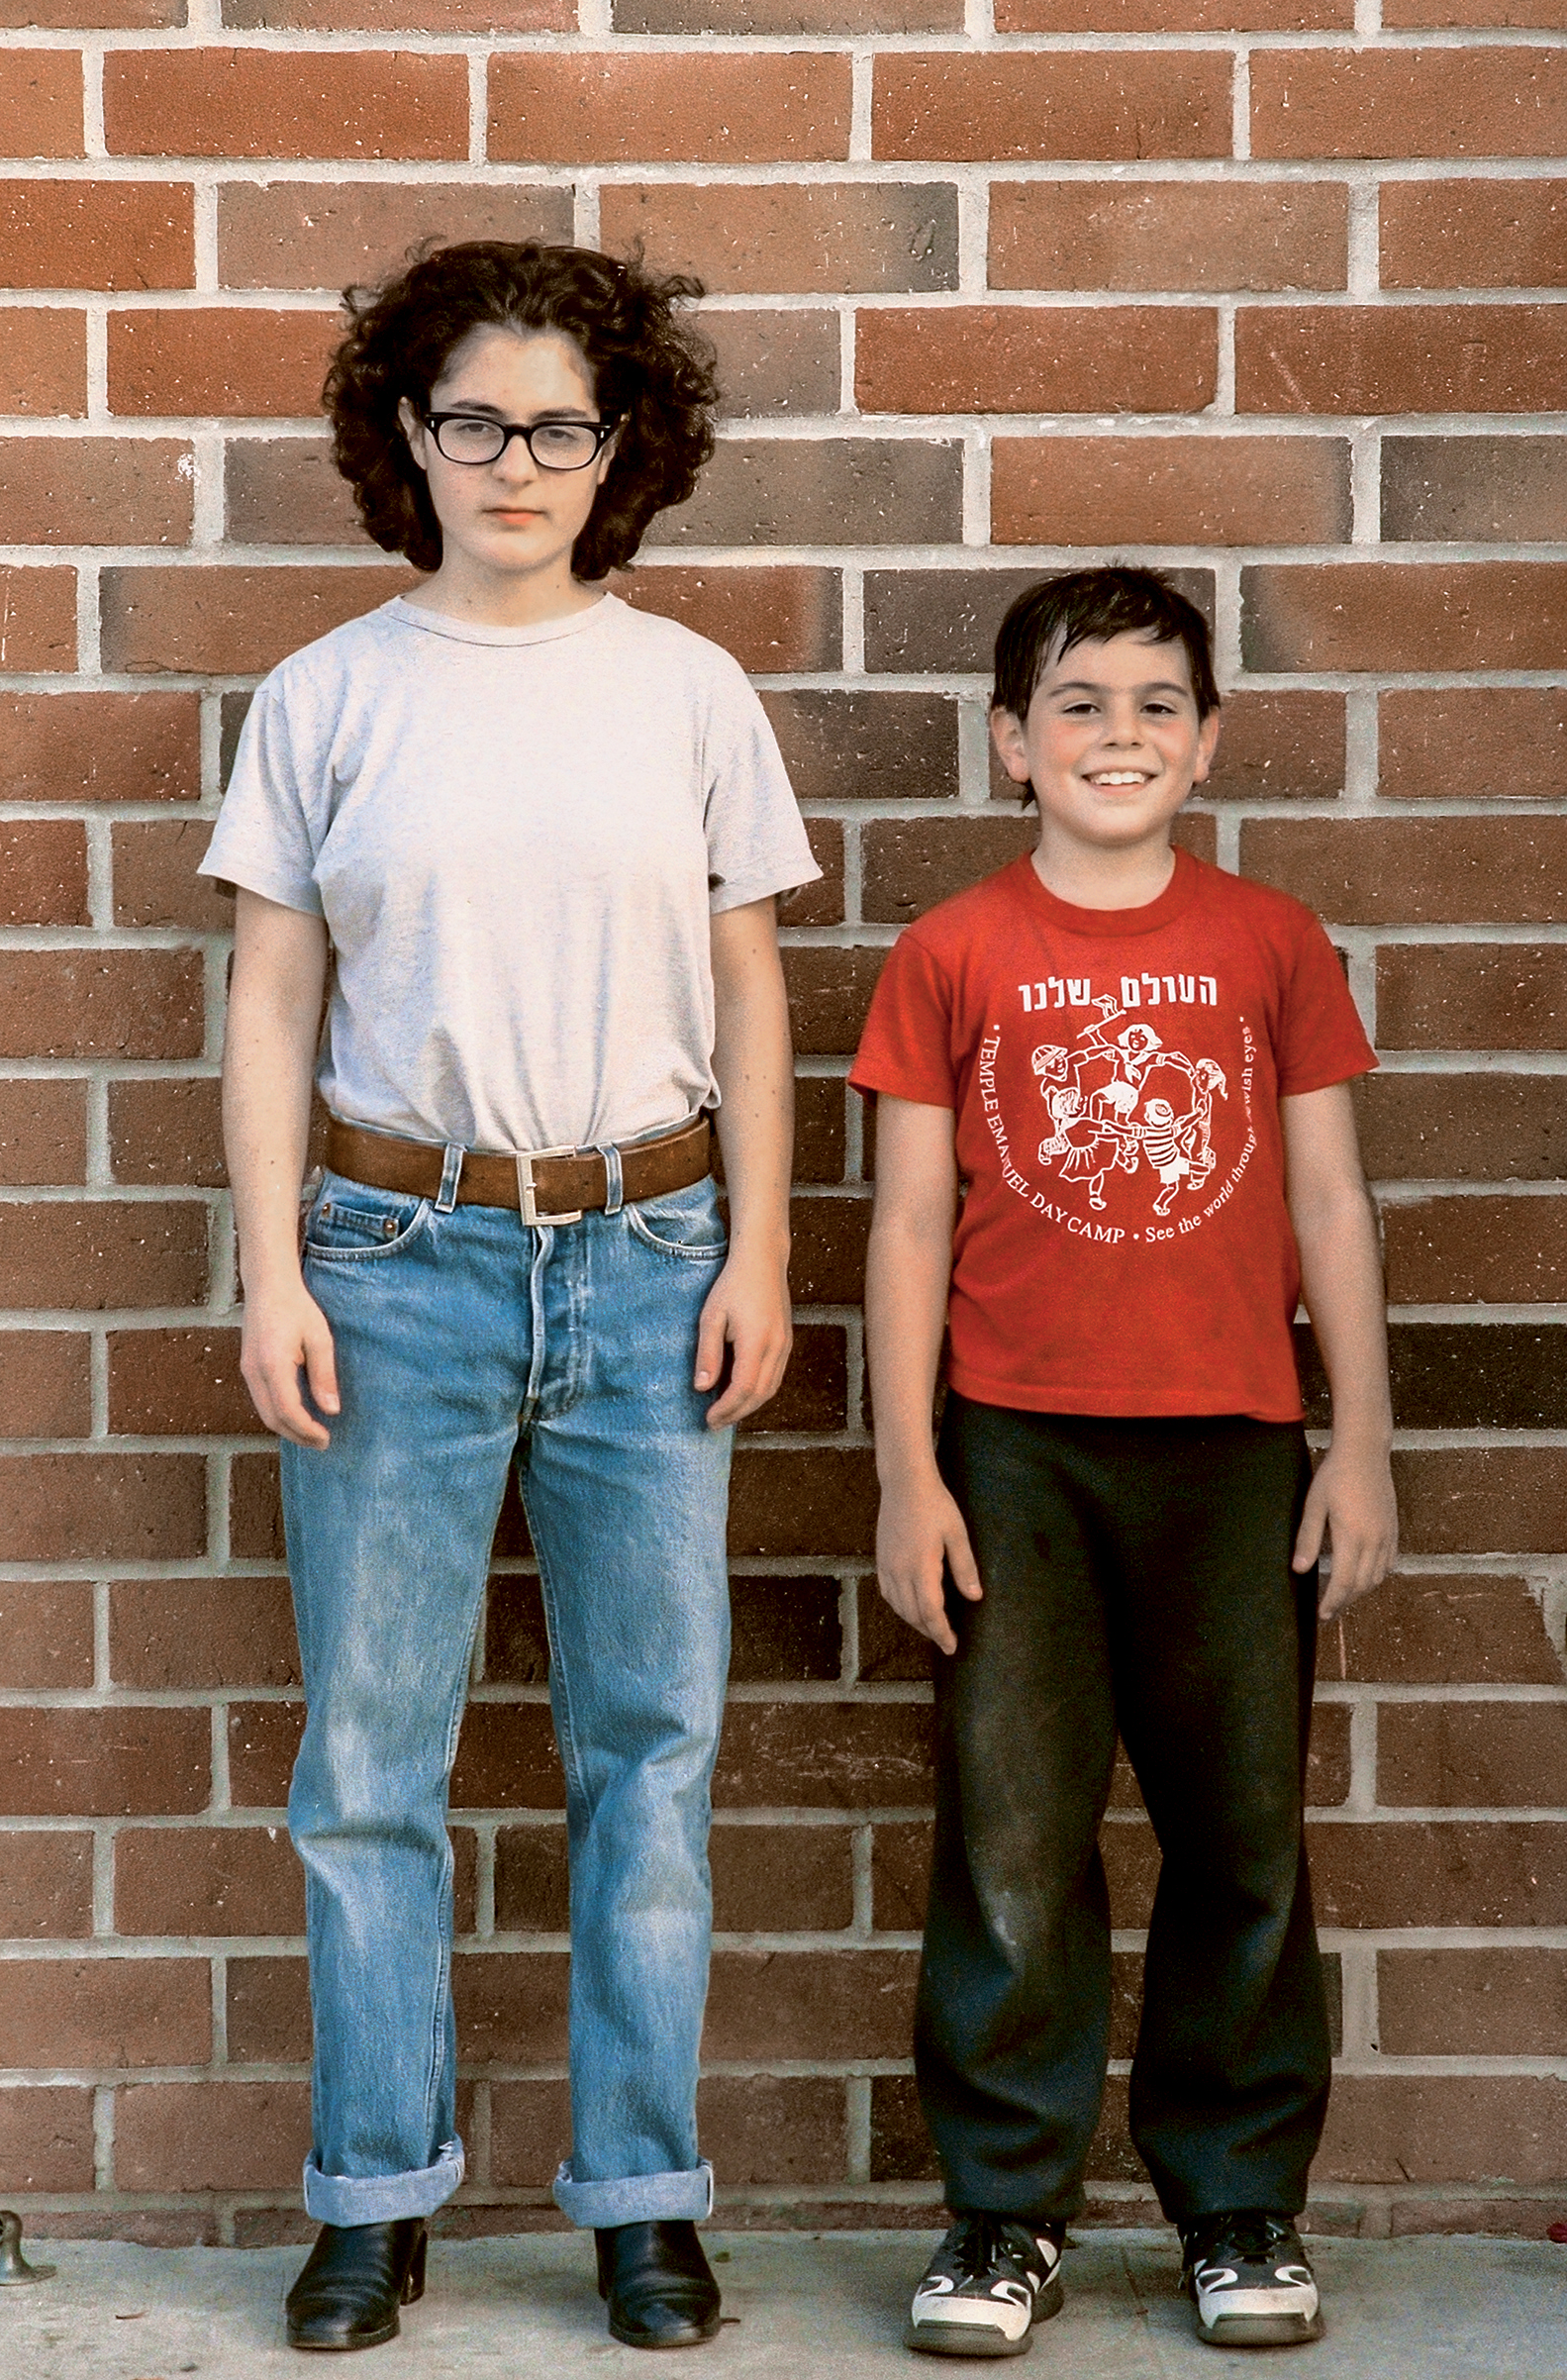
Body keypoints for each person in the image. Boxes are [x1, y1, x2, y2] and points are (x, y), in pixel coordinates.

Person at [201, 240, 817, 2355]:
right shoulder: (332, 693)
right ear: (405, 434)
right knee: (372, 1756)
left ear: (623, 441)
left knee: (652, 1741)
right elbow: (274, 995)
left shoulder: (688, 689)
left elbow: (751, 984)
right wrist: (273, 1265)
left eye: (563, 421)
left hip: (650, 1259)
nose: (518, 459)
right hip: (397, 1263)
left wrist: (769, 1243)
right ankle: (376, 2192)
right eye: (474, 418)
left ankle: (643, 2196)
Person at [850, 567, 1397, 2357]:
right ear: (1012, 742)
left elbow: (1329, 1197)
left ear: (1211, 739)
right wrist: (906, 1473)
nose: (1120, 736)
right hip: (1013, 1455)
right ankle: (1003, 2215)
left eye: (1160, 703)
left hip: (1236, 1453)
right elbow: (912, 1226)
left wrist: (1360, 1446)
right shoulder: (952, 950)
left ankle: (1239, 2204)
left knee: (1243, 1833)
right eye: (1078, 703)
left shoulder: (1272, 940)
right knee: (1011, 1843)